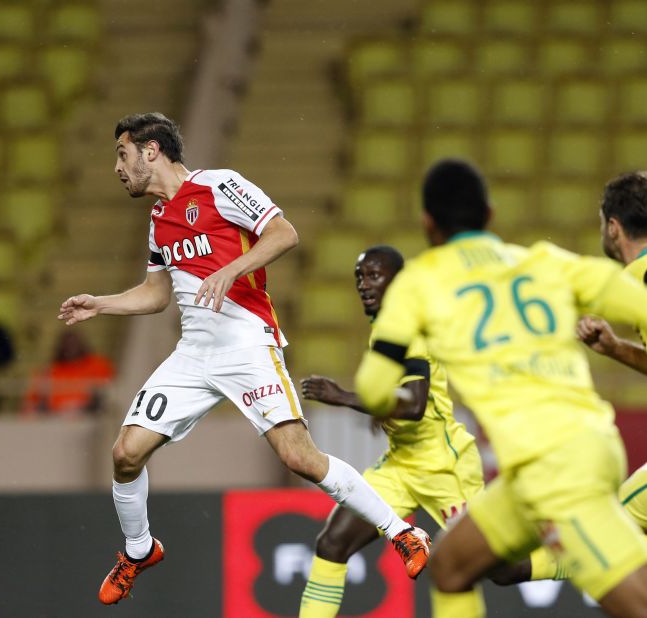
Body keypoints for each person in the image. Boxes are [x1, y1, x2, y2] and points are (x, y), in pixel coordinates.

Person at [57, 112, 430, 606]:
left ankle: (401, 532)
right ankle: (139, 549)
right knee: (125, 455)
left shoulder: (219, 186)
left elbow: (284, 233)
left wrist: (230, 271)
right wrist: (101, 303)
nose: (118, 168)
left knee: (299, 457)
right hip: (193, 354)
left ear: (151, 152)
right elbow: (156, 294)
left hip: (248, 344)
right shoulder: (158, 221)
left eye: (122, 155)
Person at [354, 159, 647, 616]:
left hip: (556, 467)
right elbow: (635, 297)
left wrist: (381, 401)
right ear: (489, 214)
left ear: (428, 224)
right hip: (560, 459)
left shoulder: (418, 286)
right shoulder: (543, 262)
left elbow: (372, 388)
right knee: (451, 566)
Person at [298, 246, 486, 618]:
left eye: (373, 275)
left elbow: (414, 406)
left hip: (444, 465)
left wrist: (344, 397)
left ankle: (573, 560)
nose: (363, 285)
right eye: (359, 277)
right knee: (332, 543)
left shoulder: (411, 330)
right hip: (400, 465)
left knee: (501, 567)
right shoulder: (384, 331)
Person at [492, 171, 647, 587]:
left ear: (613, 227)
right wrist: (616, 348)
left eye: (601, 223)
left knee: (607, 533)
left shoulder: (636, 280)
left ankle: (525, 567)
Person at [22, 331, 114, 414]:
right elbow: (30, 405)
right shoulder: (47, 371)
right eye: (67, 345)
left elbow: (111, 393)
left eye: (74, 344)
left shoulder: (99, 365)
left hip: (91, 418)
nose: (71, 348)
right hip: (54, 421)